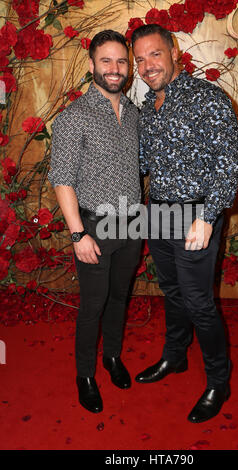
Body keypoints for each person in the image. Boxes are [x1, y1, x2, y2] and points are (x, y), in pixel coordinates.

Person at [131, 24, 238, 423]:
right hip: (159, 212)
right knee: (172, 292)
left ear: (174, 51)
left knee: (199, 303)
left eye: (154, 55)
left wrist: (208, 216)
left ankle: (218, 380)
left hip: (195, 215)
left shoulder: (207, 98)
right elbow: (144, 164)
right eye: (140, 60)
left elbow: (229, 163)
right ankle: (175, 358)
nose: (147, 66)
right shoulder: (147, 107)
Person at [48, 30, 142, 413]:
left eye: (121, 61)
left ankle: (113, 357)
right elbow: (62, 178)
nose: (115, 69)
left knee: (120, 298)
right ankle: (85, 374)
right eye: (106, 61)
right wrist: (78, 234)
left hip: (131, 225)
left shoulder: (134, 113)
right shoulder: (74, 117)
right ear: (91, 65)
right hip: (95, 228)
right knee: (93, 305)